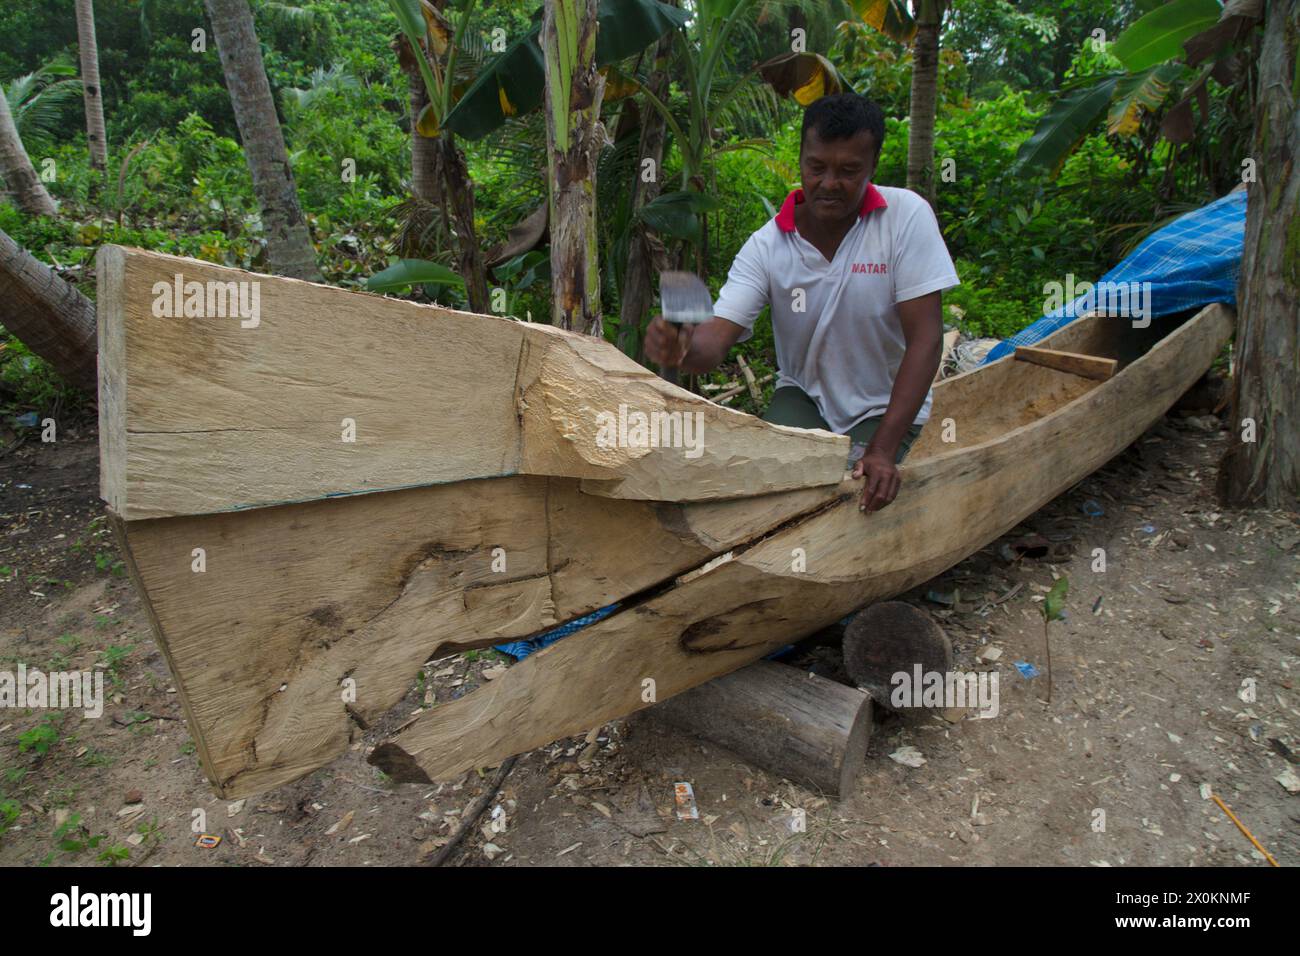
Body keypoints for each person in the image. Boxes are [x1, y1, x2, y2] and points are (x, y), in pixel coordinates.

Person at [643, 93, 959, 513]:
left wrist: (882, 449)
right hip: (804, 396)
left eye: (849, 170)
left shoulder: (905, 217)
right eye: (817, 167)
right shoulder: (768, 246)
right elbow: (714, 343)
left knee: (853, 492)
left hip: (885, 406)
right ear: (801, 161)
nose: (829, 183)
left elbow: (926, 339)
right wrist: (681, 346)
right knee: (767, 489)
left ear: (872, 168)